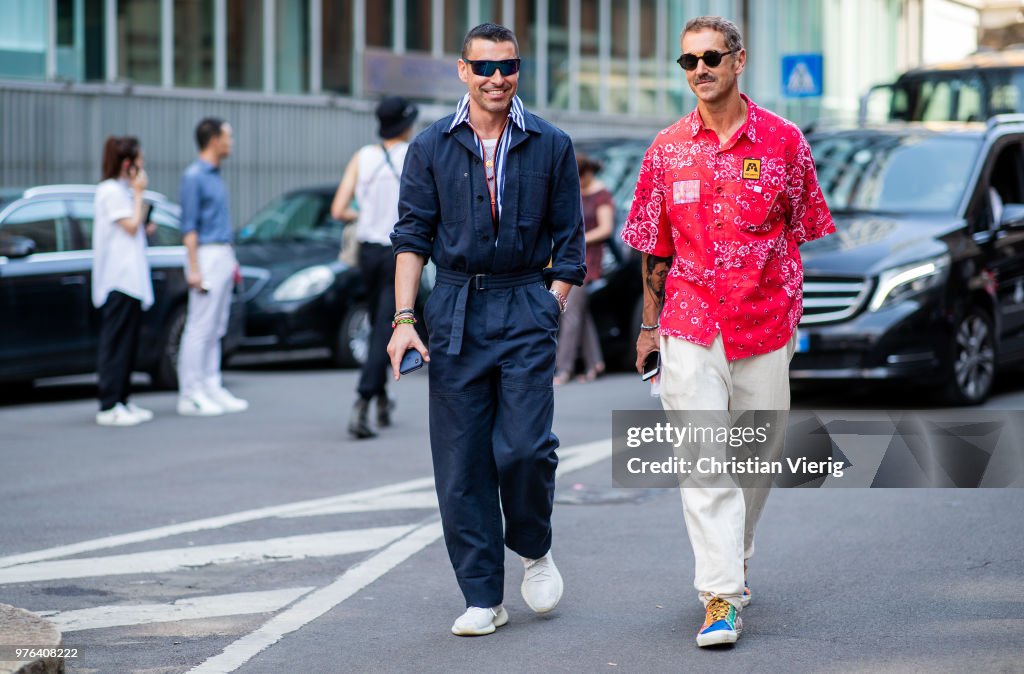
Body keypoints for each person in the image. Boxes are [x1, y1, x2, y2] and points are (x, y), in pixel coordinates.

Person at [621, 16, 834, 647]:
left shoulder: (785, 142)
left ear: (738, 61)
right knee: (704, 462)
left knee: (758, 461)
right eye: (687, 61)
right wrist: (648, 327)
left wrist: (791, 304)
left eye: (711, 57)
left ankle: (733, 559)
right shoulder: (666, 148)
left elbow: (804, 228)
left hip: (766, 324)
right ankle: (719, 594)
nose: (699, 70)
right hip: (689, 322)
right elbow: (653, 248)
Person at [387, 23, 586, 637]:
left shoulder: (550, 143)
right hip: (454, 310)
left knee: (524, 449)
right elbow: (411, 238)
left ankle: (534, 546)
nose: (497, 78)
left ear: (518, 71)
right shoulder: (430, 147)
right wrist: (403, 321)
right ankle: (482, 596)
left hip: (525, 303)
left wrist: (549, 302)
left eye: (508, 67)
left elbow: (571, 244)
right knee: (461, 462)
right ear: (462, 71)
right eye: (485, 68)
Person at [331, 96, 419, 439]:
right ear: (406, 124)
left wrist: (365, 214)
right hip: (399, 252)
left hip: (367, 252)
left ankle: (382, 399)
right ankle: (364, 399)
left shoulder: (362, 157)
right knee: (386, 324)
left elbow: (339, 209)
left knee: (380, 322)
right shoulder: (412, 154)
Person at [177, 117, 247, 416]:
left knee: (216, 326)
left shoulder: (214, 175)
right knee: (199, 326)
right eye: (228, 136)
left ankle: (211, 385)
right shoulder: (194, 176)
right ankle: (190, 393)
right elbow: (189, 228)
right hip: (205, 255)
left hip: (221, 253)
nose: (231, 142)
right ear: (214, 139)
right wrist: (194, 269)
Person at [92, 136, 156, 427]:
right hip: (117, 278)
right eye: (139, 162)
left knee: (129, 342)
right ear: (128, 164)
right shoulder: (109, 191)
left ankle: (123, 400)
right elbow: (130, 226)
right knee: (116, 342)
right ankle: (109, 404)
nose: (143, 168)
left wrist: (139, 203)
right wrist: (139, 193)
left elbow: (137, 224)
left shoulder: (123, 191)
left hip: (131, 279)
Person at [553, 152, 613, 384]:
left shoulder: (601, 194)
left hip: (588, 260)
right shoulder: (576, 191)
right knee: (580, 312)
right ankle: (595, 362)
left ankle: (563, 368)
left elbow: (606, 229)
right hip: (570, 257)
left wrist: (579, 239)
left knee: (569, 311)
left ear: (586, 173)